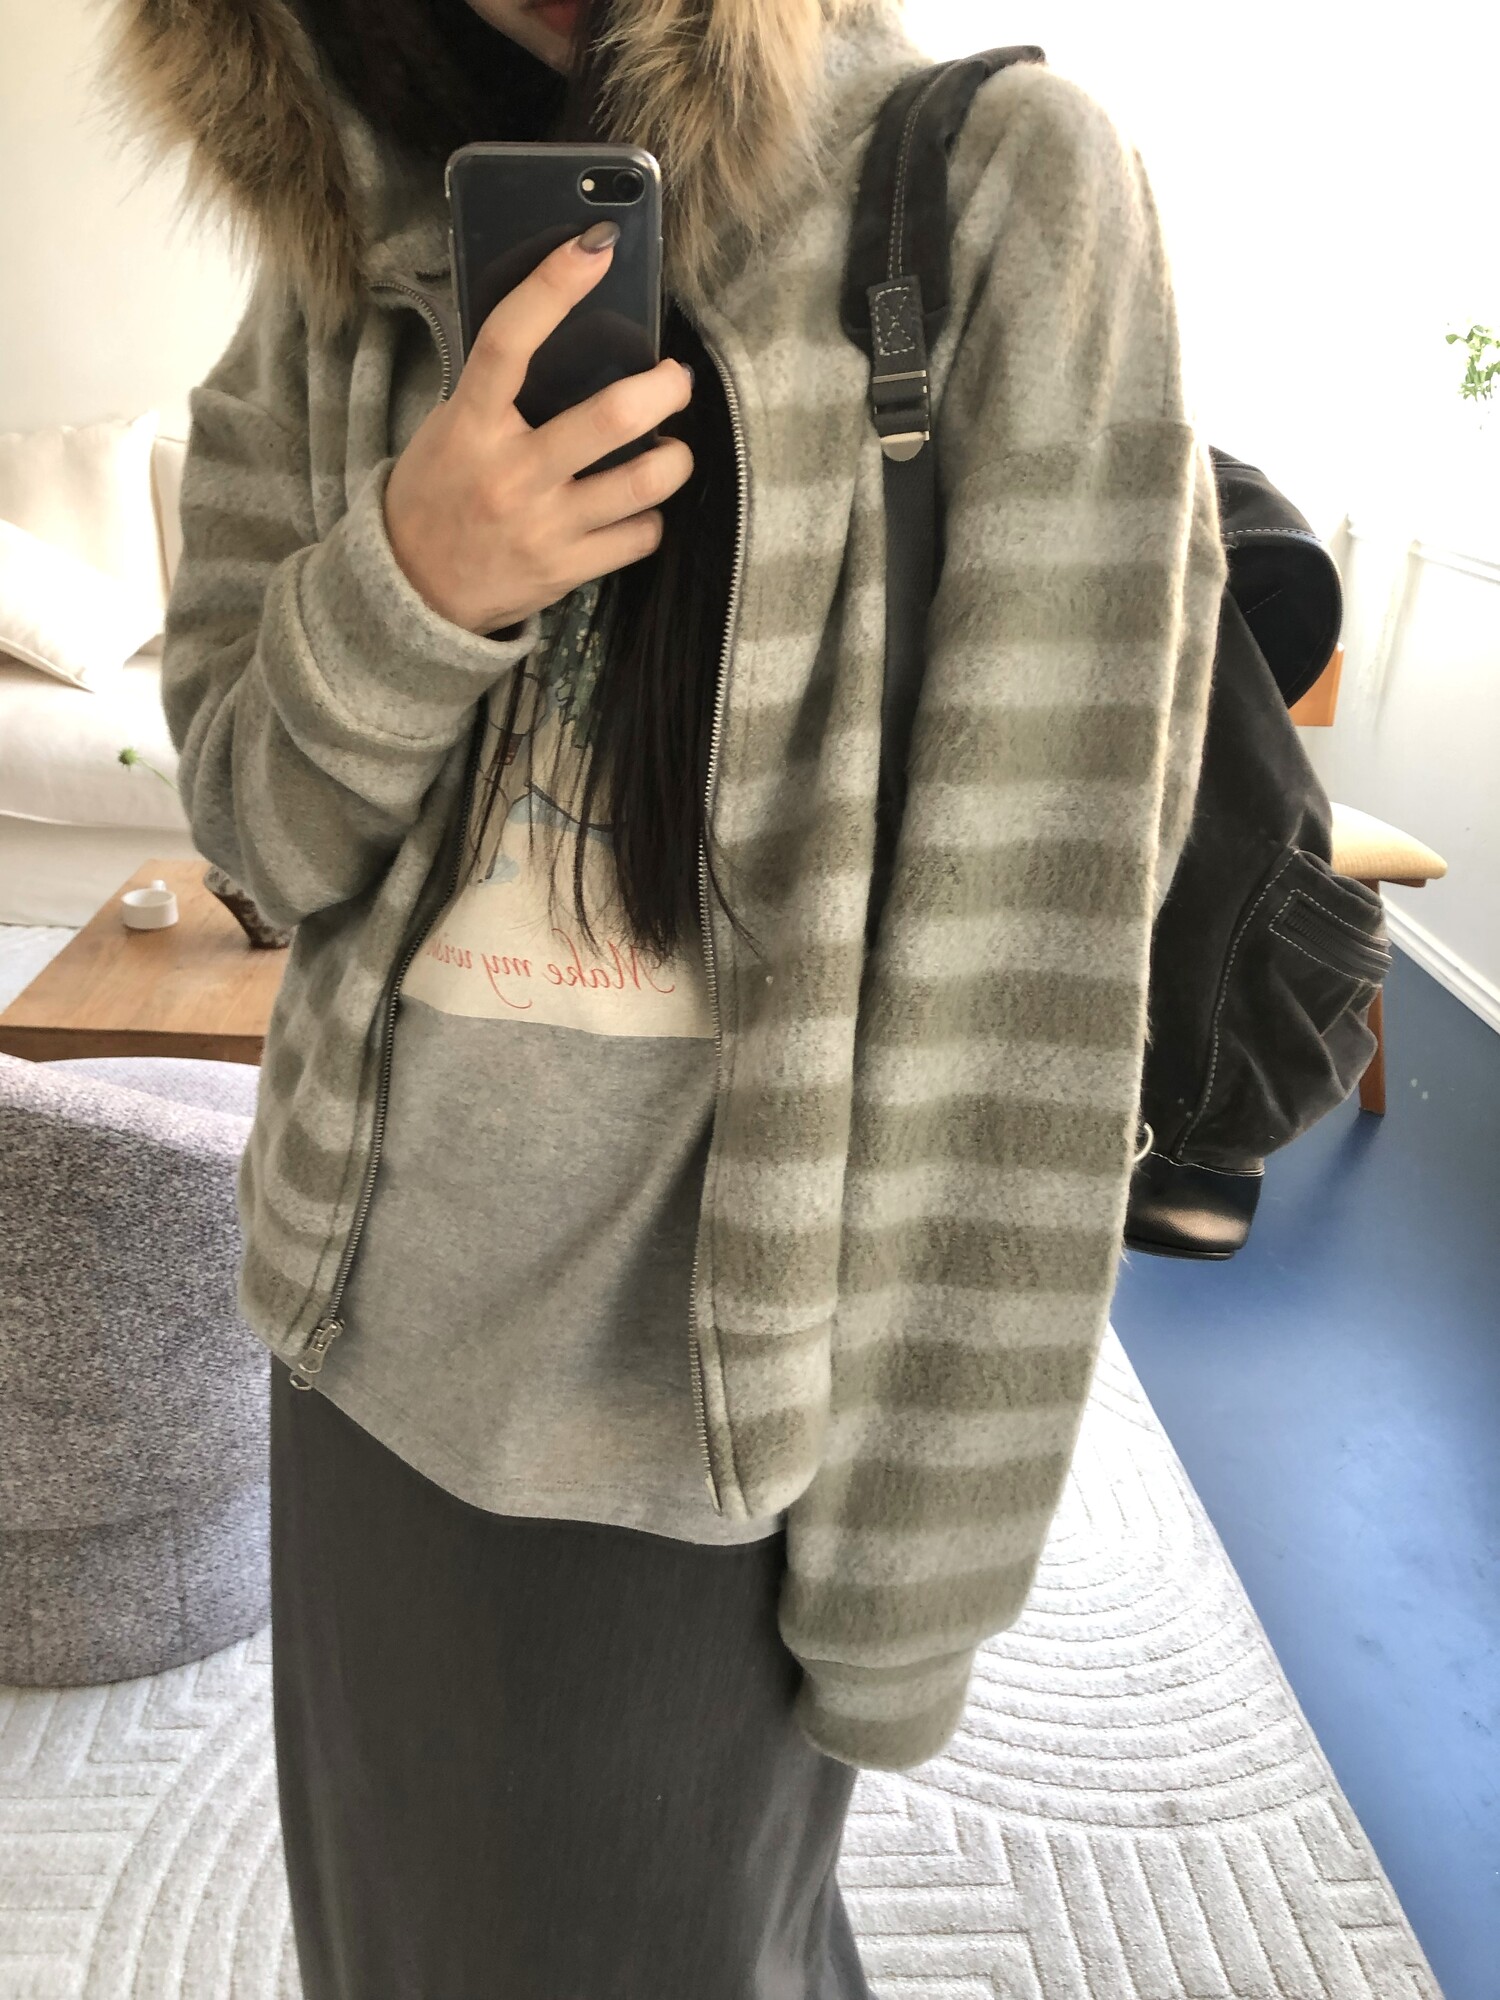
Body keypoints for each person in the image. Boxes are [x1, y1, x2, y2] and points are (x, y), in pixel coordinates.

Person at [110, 0, 1229, 1991]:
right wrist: (415, 579)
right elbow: (259, 832)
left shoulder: (992, 192)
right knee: (392, 1935)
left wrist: (906, 1576)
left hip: (697, 1406)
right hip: (351, 1328)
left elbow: (1030, 971)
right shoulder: (341, 220)